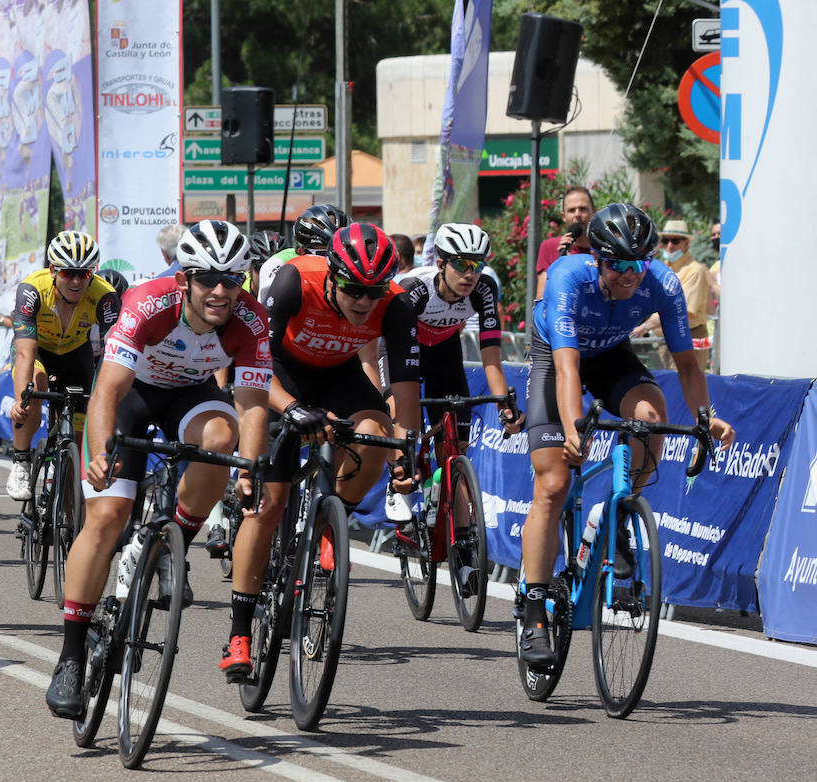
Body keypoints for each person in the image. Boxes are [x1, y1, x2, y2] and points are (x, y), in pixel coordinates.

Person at [44, 220, 271, 718]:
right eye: (207, 279)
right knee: (106, 518)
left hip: (190, 395)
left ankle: (175, 545)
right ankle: (71, 655)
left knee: (221, 440)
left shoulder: (251, 320)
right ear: (184, 278)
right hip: (132, 396)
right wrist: (102, 450)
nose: (219, 292)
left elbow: (253, 401)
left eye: (231, 281)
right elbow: (107, 389)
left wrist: (250, 470)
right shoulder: (148, 302)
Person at [519, 203, 735, 666]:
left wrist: (705, 416)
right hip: (556, 357)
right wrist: (574, 427)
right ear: (597, 259)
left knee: (650, 415)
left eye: (638, 262)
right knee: (554, 482)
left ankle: (615, 512)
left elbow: (687, 365)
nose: (630, 273)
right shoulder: (566, 278)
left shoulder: (663, 283)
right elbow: (566, 367)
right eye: (618, 263)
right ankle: (534, 606)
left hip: (611, 355)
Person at [223, 222, 421, 680]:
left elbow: (406, 389)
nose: (363, 302)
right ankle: (240, 634)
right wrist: (291, 409)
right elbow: (252, 365)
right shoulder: (294, 281)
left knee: (377, 433)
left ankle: (334, 520)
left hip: (337, 375)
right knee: (266, 507)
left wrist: (405, 453)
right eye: (353, 289)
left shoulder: (394, 304)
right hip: (279, 376)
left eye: (373, 292)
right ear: (332, 275)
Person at [392, 223, 523, 555]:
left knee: (456, 450)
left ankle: (462, 541)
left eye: (476, 265)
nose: (470, 274)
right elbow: (398, 359)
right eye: (461, 264)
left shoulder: (483, 290)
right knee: (404, 422)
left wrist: (504, 405)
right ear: (440, 264)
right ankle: (401, 491)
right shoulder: (414, 290)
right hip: (400, 349)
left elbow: (491, 354)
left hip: (443, 352)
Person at [4, 230, 120, 500]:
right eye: (69, 273)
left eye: (85, 274)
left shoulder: (105, 296)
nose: (77, 281)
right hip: (36, 351)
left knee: (76, 446)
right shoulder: (32, 290)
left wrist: (108, 397)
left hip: (74, 354)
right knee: (35, 388)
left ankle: (68, 512)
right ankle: (21, 461)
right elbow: (25, 353)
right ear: (54, 270)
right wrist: (23, 397)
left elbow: (113, 353)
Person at [631, 220, 712, 369]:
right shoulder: (663, 268)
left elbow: (678, 312)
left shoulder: (695, 271)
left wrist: (643, 328)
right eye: (666, 240)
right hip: (665, 338)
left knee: (684, 388)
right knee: (668, 388)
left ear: (686, 244)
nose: (669, 245)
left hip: (688, 338)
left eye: (675, 241)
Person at [256, 204, 348, 303]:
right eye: (323, 255)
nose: (333, 261)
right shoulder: (279, 263)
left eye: (340, 254)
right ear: (301, 252)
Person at [534, 185, 594, 298]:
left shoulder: (603, 249)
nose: (577, 214)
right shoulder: (550, 247)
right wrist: (562, 262)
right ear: (563, 216)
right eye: (571, 210)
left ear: (594, 213)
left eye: (583, 209)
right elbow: (542, 298)